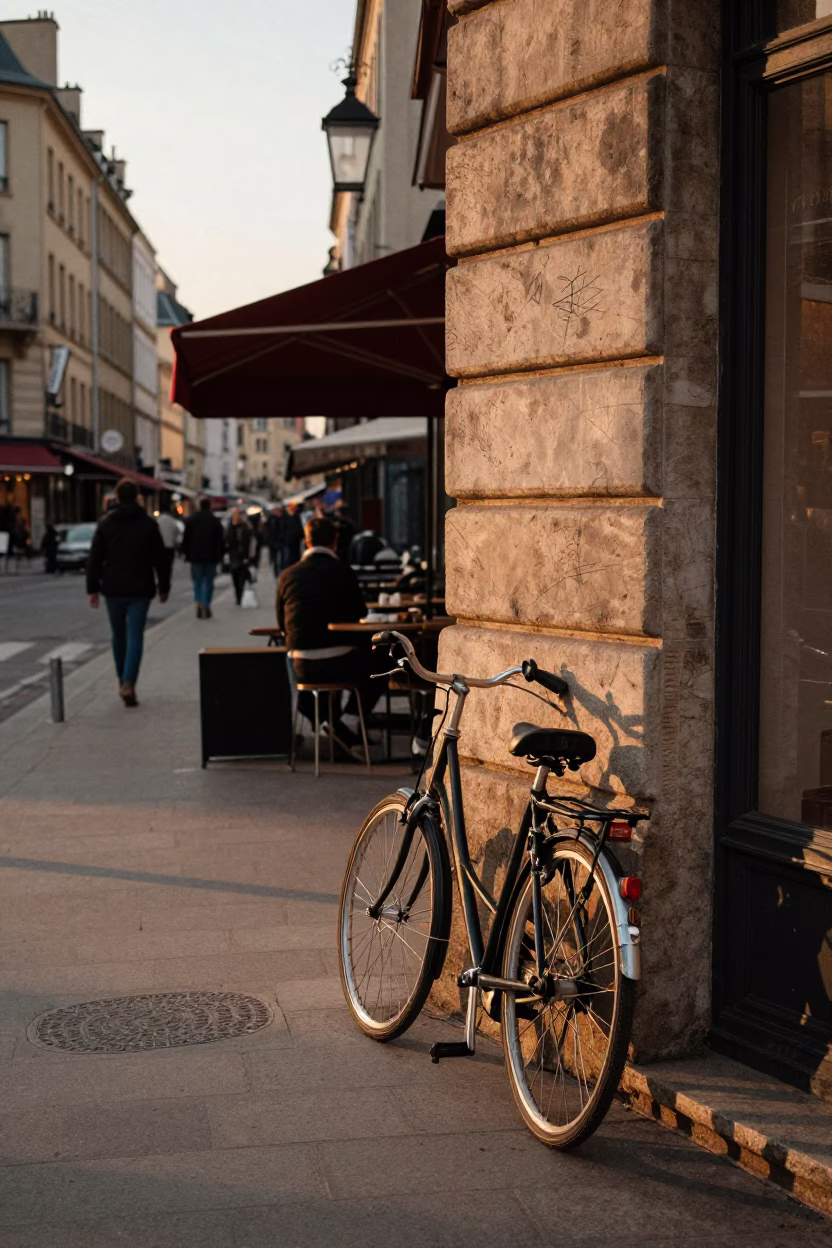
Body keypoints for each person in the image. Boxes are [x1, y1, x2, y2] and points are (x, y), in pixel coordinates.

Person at [277, 514, 382, 755]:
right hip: (338, 663)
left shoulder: (287, 575)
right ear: (335, 542)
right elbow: (360, 612)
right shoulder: (343, 572)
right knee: (384, 664)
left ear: (306, 542)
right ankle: (347, 723)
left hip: (299, 665)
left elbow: (281, 624)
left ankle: (331, 724)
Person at [86, 477, 170, 707]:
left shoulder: (106, 523)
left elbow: (95, 559)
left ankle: (121, 678)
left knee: (118, 635)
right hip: (141, 587)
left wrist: (92, 588)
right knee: (135, 635)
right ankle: (129, 682)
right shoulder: (148, 524)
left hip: (113, 587)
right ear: (137, 497)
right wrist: (164, 587)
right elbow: (160, 559)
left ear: (117, 496)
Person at [182, 497, 225, 618]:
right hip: (211, 555)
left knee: (197, 581)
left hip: (196, 555)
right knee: (209, 581)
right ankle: (206, 603)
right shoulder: (215, 521)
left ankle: (199, 601)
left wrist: (186, 553)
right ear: (209, 506)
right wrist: (221, 554)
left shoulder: (192, 520)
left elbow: (186, 538)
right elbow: (221, 540)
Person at [226, 506, 253, 605]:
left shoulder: (245, 526)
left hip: (243, 556)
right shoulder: (230, 527)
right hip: (233, 556)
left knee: (242, 576)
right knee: (235, 578)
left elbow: (251, 539)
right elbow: (227, 540)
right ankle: (238, 596)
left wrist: (251, 553)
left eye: (237, 514)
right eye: (234, 514)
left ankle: (241, 596)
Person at [155, 501, 179, 589]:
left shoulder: (158, 520)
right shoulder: (172, 521)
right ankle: (166, 583)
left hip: (159, 547)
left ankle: (160, 582)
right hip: (170, 547)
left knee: (159, 567)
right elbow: (176, 533)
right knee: (168, 567)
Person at [265, 505, 285, 576]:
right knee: (275, 558)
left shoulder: (282, 518)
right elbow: (268, 529)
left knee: (281, 557)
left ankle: (280, 569)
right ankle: (276, 571)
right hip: (273, 542)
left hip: (280, 541)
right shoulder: (271, 519)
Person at [282, 503, 304, 568]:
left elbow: (299, 526)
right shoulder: (285, 516)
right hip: (288, 540)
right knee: (289, 557)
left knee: (296, 555)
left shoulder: (296, 515)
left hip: (296, 539)